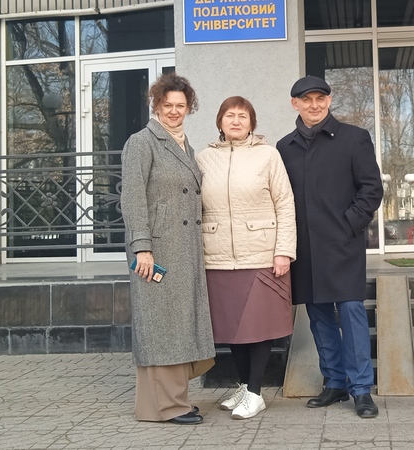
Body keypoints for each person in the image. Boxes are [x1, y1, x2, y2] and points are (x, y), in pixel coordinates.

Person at [276, 75, 384, 419]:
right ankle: (335, 382)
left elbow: (372, 189)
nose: (314, 105)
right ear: (295, 103)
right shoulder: (284, 147)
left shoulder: (354, 138)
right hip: (305, 248)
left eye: (320, 98)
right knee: (319, 316)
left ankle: (361, 389)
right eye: (306, 99)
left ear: (329, 100)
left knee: (351, 313)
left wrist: (349, 224)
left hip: (343, 246)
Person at [121, 71, 215, 425]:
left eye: (180, 105)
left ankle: (170, 402)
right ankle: (168, 406)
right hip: (157, 251)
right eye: (167, 105)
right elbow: (132, 198)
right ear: (156, 105)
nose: (174, 111)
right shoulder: (142, 142)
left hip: (184, 249)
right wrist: (142, 247)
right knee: (162, 327)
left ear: (189, 107)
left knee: (176, 324)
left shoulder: (184, 146)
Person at [196, 96, 297, 420]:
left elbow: (285, 204)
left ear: (252, 123)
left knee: (257, 327)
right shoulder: (203, 159)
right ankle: (243, 386)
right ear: (220, 122)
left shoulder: (268, 155)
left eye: (243, 116)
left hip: (261, 256)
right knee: (231, 329)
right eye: (230, 115)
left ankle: (255, 393)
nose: (236, 121)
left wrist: (283, 251)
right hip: (218, 257)